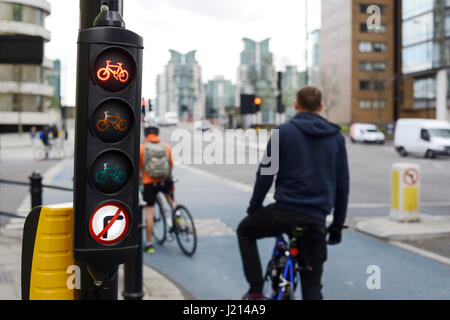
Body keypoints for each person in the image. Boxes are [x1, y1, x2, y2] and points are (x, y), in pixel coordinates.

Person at [237, 86, 350, 300]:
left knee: (244, 231)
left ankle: (255, 291)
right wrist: (337, 225)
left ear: (296, 105)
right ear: (321, 106)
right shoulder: (336, 138)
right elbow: (342, 185)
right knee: (313, 285)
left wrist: (255, 206)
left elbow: (266, 174)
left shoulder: (283, 132)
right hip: (315, 219)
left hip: (283, 213)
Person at [139, 122, 175, 254]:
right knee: (170, 198)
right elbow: (170, 164)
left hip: (149, 183)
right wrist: (167, 178)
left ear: (146, 135)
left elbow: (138, 169)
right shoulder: (166, 147)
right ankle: (177, 214)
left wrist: (140, 180)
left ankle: (149, 244)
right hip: (164, 181)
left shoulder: (142, 148)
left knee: (149, 212)